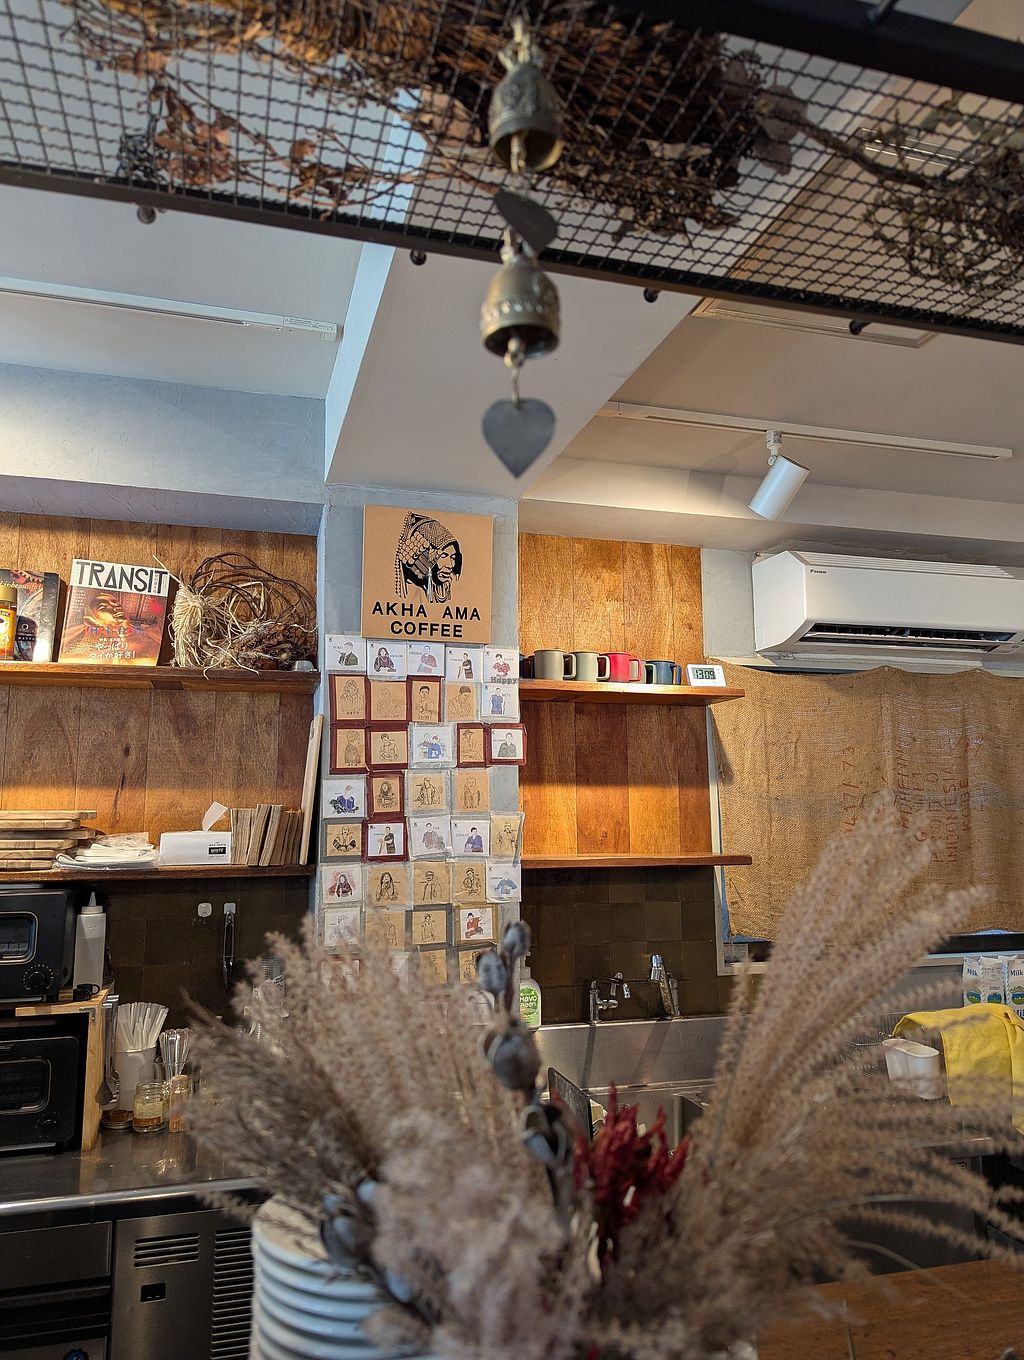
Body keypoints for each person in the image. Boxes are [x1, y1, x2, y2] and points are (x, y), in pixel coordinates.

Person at [395, 512, 462, 605]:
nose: (450, 565)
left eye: (453, 557)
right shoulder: (411, 591)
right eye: (443, 556)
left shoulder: (446, 587)